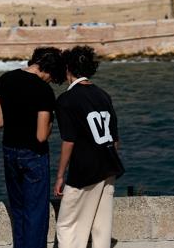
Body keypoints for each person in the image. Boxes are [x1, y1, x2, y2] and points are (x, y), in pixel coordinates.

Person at [0, 46, 65, 248]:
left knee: (18, 209)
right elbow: (41, 136)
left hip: (9, 151)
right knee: (36, 211)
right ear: (49, 70)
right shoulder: (43, 90)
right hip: (33, 154)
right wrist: (51, 120)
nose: (51, 80)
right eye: (53, 77)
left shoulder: (5, 79)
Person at [53, 46, 124, 248]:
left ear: (68, 68)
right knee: (102, 226)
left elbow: (69, 140)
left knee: (68, 225)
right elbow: (115, 138)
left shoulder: (66, 100)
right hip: (109, 165)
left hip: (84, 170)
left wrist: (60, 176)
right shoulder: (103, 95)